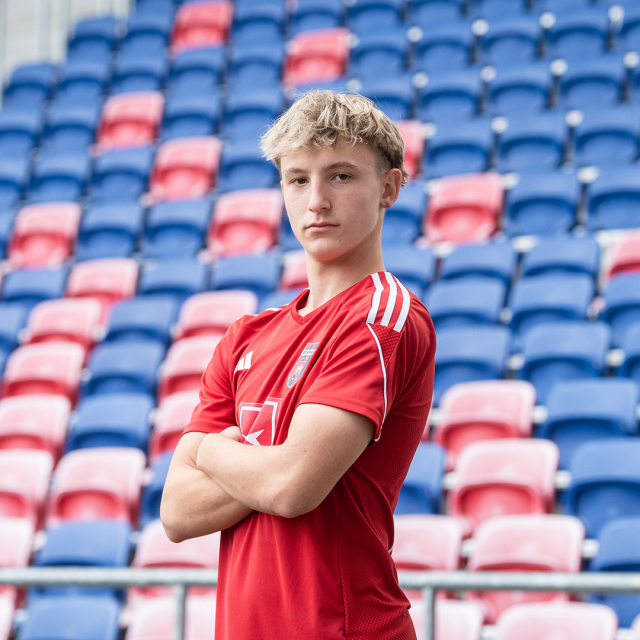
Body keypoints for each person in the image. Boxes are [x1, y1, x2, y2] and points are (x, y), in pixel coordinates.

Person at [160, 90, 436, 640]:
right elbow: (177, 513)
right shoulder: (246, 337)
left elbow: (290, 487)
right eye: (298, 180)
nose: (317, 202)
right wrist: (266, 470)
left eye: (340, 176)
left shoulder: (383, 316)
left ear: (389, 188)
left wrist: (209, 451)